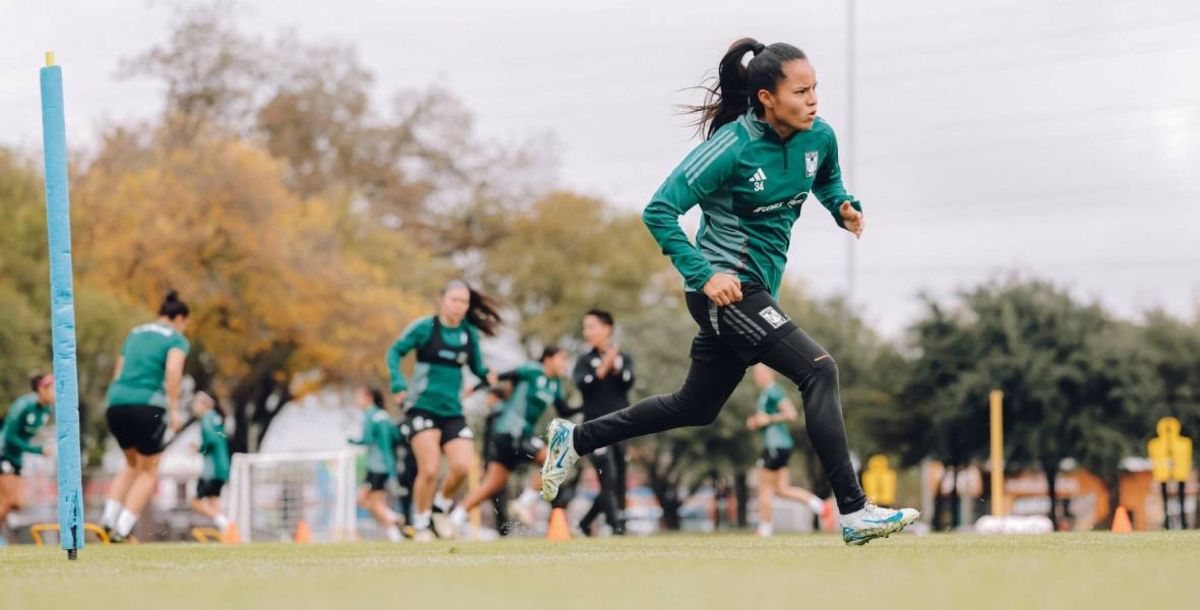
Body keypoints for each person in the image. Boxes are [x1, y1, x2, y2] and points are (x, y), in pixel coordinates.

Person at [540, 38, 918, 546]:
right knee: (819, 369)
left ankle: (575, 437)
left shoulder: (819, 136)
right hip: (723, 289)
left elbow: (826, 180)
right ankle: (852, 511)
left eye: (816, 89)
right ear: (766, 96)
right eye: (801, 91)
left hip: (756, 291)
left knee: (694, 406)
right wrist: (703, 273)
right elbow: (659, 211)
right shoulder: (730, 147)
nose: (813, 100)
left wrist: (842, 207)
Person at [387, 280, 500, 541]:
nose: (459, 306)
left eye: (464, 302)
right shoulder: (425, 328)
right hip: (422, 408)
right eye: (454, 300)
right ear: (442, 300)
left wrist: (487, 375)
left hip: (452, 410)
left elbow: (477, 367)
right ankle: (421, 523)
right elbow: (394, 352)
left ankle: (439, 506)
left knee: (462, 466)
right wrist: (397, 382)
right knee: (429, 469)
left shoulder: (468, 333)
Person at [448, 347, 575, 537]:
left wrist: (593, 407)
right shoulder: (532, 371)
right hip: (509, 431)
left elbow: (564, 411)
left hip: (517, 435)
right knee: (555, 460)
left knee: (492, 484)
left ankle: (454, 518)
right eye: (561, 358)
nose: (564, 363)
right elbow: (498, 377)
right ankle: (523, 503)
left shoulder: (556, 385)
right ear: (548, 359)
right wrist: (473, 389)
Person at [100, 290, 191, 542]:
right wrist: (173, 409)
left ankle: (107, 521)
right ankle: (123, 528)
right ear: (180, 318)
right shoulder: (176, 339)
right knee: (149, 470)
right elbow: (173, 371)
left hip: (116, 403)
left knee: (131, 464)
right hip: (146, 405)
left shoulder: (135, 333)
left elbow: (119, 370)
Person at [559, 309, 634, 535]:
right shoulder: (584, 361)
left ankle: (587, 522)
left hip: (622, 426)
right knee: (607, 476)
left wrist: (615, 366)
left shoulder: (623, 358)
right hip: (595, 428)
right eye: (585, 327)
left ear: (607, 328)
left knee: (619, 477)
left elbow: (628, 383)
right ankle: (616, 527)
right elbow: (583, 385)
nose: (587, 332)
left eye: (592, 327)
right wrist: (602, 369)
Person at [747, 365, 825, 537]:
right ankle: (819, 505)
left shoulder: (774, 391)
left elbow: (791, 414)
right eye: (755, 373)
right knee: (782, 489)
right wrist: (757, 421)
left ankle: (765, 529)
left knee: (764, 489)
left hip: (774, 445)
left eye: (760, 372)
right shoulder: (766, 393)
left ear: (771, 373)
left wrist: (768, 419)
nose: (757, 376)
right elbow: (766, 419)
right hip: (781, 445)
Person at [0, 374, 56, 538]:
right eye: (52, 389)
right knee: (10, 501)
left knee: (18, 503)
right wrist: (39, 450)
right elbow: (9, 437)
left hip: (17, 456)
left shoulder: (47, 409)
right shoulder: (23, 406)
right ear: (41, 390)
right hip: (4, 453)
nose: (55, 393)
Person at [349, 386, 405, 542]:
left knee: (373, 503)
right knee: (364, 500)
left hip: (376, 466)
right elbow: (396, 438)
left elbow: (366, 439)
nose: (356, 400)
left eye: (358, 396)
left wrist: (351, 440)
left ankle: (393, 522)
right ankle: (391, 519)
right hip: (385, 466)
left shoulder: (371, 415)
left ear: (368, 397)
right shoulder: (384, 416)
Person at [189, 391, 232, 534]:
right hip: (223, 468)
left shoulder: (207, 418)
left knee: (195, 501)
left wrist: (200, 448)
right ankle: (228, 533)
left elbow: (211, 440)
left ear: (204, 404)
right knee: (213, 501)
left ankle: (225, 523)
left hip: (211, 470)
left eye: (196, 403)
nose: (194, 406)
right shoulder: (217, 418)